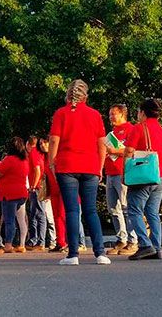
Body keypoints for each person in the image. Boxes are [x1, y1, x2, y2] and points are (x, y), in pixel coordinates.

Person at [48, 79, 111, 266]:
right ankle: (100, 253)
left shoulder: (61, 113)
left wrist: (52, 162)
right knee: (91, 210)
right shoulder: (94, 115)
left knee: (72, 210)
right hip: (90, 165)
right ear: (86, 96)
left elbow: (53, 140)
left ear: (68, 94)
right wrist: (100, 167)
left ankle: (73, 254)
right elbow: (102, 144)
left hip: (67, 166)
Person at [124, 98, 162, 260]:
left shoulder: (139, 128)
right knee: (152, 212)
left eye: (138, 111)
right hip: (161, 176)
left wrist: (126, 173)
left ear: (143, 112)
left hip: (143, 176)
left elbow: (129, 151)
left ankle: (145, 244)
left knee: (134, 209)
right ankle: (157, 247)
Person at [104, 104, 138, 255]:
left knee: (126, 207)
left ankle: (133, 240)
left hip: (123, 172)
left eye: (113, 114)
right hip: (110, 173)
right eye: (110, 114)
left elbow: (131, 149)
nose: (111, 117)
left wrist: (114, 151)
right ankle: (121, 238)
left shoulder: (130, 129)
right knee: (113, 208)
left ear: (122, 114)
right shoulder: (111, 133)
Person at [0, 137, 30, 253]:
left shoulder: (8, 159)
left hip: (9, 193)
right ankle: (22, 244)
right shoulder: (25, 160)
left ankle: (8, 244)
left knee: (9, 220)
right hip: (22, 193)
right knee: (21, 220)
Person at [39, 138, 68, 253]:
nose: (42, 145)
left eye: (45, 142)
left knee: (63, 215)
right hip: (54, 190)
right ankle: (60, 242)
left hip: (63, 188)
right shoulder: (45, 158)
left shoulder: (58, 155)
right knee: (56, 216)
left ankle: (68, 242)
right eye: (40, 143)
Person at [26, 136, 47, 251]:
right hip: (40, 185)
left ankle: (40, 241)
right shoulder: (40, 153)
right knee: (34, 213)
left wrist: (33, 186)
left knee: (40, 213)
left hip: (37, 187)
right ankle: (34, 239)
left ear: (28, 144)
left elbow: (37, 170)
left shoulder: (33, 153)